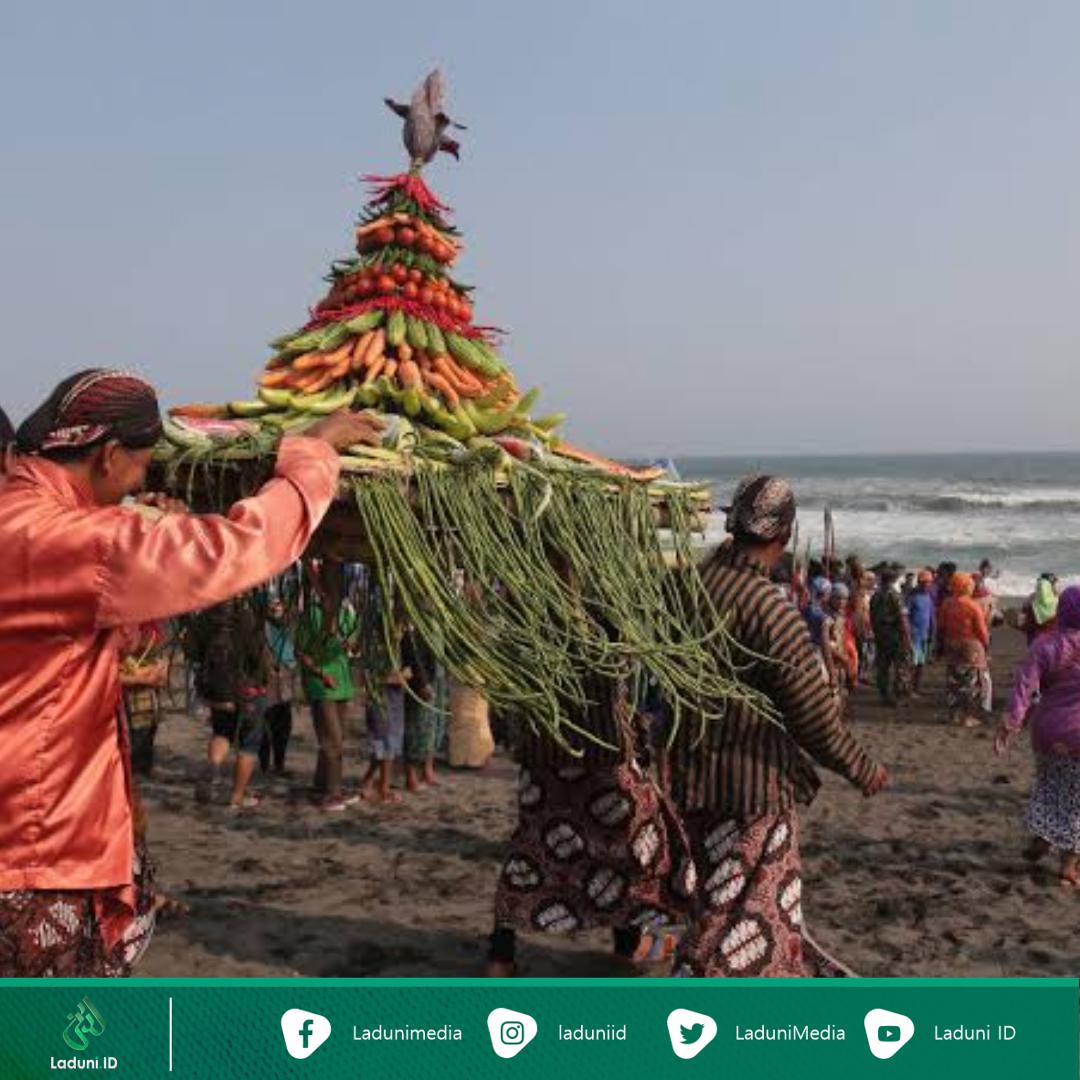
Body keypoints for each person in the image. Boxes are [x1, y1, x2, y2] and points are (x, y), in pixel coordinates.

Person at [0, 368, 380, 976]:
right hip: (34, 838)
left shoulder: (18, 512)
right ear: (108, 456)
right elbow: (232, 549)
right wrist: (312, 456)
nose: (142, 480)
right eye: (141, 464)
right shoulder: (70, 539)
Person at [668, 476, 887, 977]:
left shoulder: (686, 591)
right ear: (784, 534)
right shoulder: (772, 613)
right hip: (753, 787)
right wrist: (861, 767)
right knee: (736, 915)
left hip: (689, 776)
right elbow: (811, 717)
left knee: (716, 897)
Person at [996, 586, 1080, 886]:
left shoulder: (1046, 645)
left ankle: (1042, 840)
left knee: (1048, 785)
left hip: (1046, 732)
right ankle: (1069, 867)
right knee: (1076, 802)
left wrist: (1011, 722)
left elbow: (1024, 688)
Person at [191, 600, 269, 810]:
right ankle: (237, 797)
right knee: (249, 745)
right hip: (248, 692)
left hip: (218, 691)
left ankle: (214, 765)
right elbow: (256, 653)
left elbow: (193, 651)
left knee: (221, 732)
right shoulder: (246, 617)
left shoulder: (205, 618)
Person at [297, 569, 361, 812]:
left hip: (343, 683)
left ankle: (322, 786)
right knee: (333, 741)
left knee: (334, 739)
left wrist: (351, 644)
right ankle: (332, 793)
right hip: (322, 686)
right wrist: (321, 673)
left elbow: (353, 644)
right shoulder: (311, 613)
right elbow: (301, 652)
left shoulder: (347, 612)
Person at [937, 572, 990, 727]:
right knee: (972, 682)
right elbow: (982, 631)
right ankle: (967, 717)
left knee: (954, 680)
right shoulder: (972, 605)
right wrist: (986, 645)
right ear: (967, 587)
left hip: (952, 643)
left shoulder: (947, 603)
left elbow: (941, 625)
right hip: (970, 646)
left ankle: (953, 715)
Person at [259, 596, 297, 776]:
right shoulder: (262, 629)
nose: (276, 608)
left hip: (285, 681)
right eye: (272, 604)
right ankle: (264, 765)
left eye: (279, 604)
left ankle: (279, 764)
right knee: (267, 725)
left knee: (283, 726)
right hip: (269, 682)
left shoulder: (288, 628)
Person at [869, 565, 912, 706]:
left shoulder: (875, 596)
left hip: (881, 634)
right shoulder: (895, 595)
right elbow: (902, 618)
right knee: (901, 666)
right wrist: (907, 637)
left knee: (883, 666)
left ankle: (884, 695)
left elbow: (872, 617)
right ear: (894, 579)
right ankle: (899, 696)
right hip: (895, 634)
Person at [906, 570, 937, 695]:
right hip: (914, 635)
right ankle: (909, 689)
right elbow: (905, 616)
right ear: (918, 582)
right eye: (923, 582)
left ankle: (916, 688)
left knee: (921, 664)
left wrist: (933, 632)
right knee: (913, 664)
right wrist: (908, 634)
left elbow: (931, 615)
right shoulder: (912, 597)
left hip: (925, 635)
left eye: (928, 582)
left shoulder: (929, 597)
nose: (925, 585)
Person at [1017, 573, 1060, 645]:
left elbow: (1022, 621)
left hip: (1035, 641)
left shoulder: (1031, 599)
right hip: (1050, 641)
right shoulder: (1058, 601)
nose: (1058, 587)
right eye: (1056, 584)